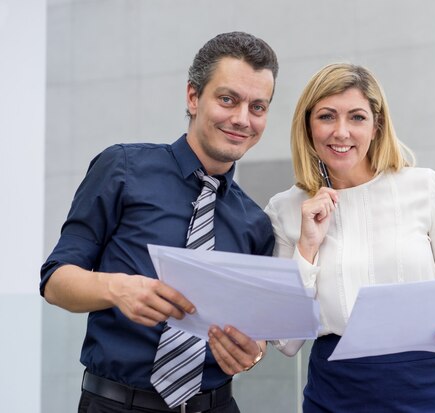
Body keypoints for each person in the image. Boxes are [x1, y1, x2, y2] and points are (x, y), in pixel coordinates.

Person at [40, 31, 278, 413]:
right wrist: (116, 288)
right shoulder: (122, 168)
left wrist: (253, 352)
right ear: (193, 96)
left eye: (258, 107)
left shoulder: (255, 222)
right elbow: (55, 281)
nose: (241, 119)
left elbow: (258, 332)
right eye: (228, 99)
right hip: (116, 405)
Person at [264, 63, 435, 412]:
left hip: (428, 389)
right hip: (336, 394)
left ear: (376, 125)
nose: (341, 132)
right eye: (326, 116)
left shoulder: (425, 187)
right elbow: (286, 339)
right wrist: (307, 246)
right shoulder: (286, 208)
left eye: (356, 117)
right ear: (308, 126)